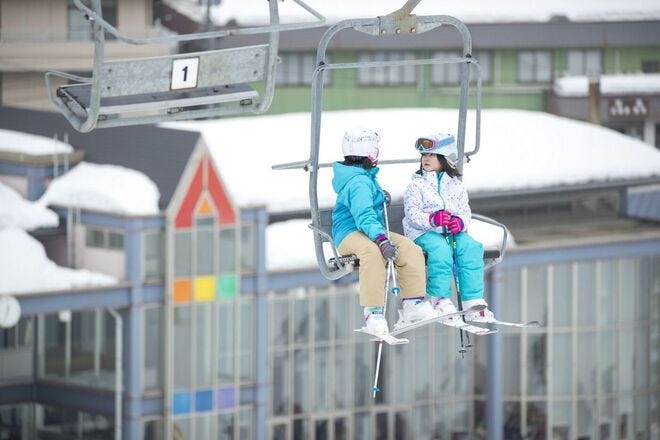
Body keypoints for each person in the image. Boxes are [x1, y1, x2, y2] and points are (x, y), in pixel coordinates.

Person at [332, 127, 437, 335]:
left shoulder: (363, 176)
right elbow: (363, 216)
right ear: (370, 153)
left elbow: (367, 207)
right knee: (372, 253)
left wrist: (379, 197)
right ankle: (373, 313)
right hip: (349, 233)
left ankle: (413, 303)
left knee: (408, 248)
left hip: (370, 231)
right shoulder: (359, 181)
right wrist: (381, 240)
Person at [402, 133, 494, 322]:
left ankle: (472, 301)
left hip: (451, 232)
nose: (426, 159)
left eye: (432, 155)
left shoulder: (456, 185)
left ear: (444, 159)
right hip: (423, 232)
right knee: (441, 250)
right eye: (424, 155)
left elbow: (465, 211)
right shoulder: (415, 186)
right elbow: (412, 215)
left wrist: (459, 222)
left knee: (471, 247)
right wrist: (433, 219)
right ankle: (439, 299)